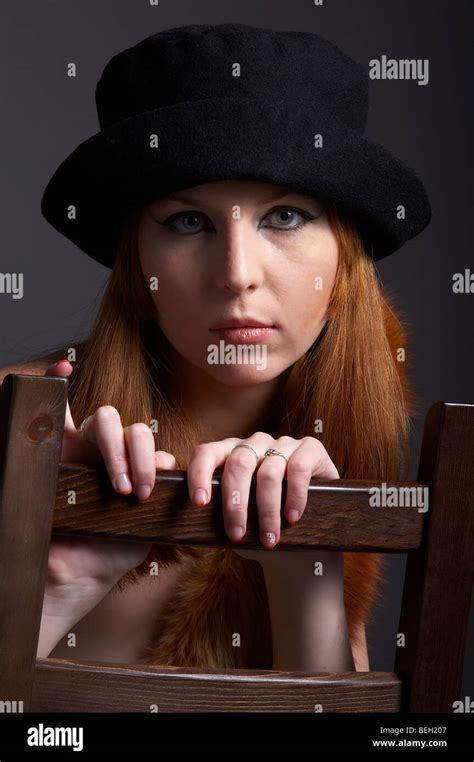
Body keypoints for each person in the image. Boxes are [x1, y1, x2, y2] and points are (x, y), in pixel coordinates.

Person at [1, 22, 431, 674]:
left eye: (284, 216)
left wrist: (307, 574)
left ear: (345, 259)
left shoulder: (338, 453)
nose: (236, 273)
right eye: (188, 221)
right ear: (135, 261)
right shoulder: (16, 428)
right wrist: (54, 586)